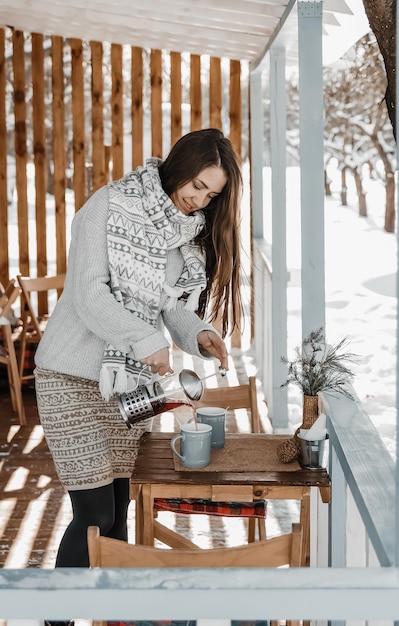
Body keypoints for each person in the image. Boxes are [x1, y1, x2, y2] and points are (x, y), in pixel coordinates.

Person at [34, 128, 243, 578]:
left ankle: (114, 611)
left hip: (130, 387)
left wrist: (200, 334)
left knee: (118, 512)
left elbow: (167, 304)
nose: (201, 201)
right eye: (197, 186)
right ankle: (58, 615)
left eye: (212, 194)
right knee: (95, 516)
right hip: (70, 378)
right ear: (179, 168)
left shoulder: (183, 234)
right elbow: (90, 294)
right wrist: (145, 340)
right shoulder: (108, 207)